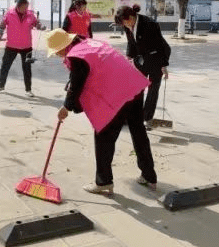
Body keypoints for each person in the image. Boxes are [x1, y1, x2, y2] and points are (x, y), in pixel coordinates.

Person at [47, 29, 157, 194]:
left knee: (103, 136)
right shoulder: (88, 44)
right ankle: (149, 176)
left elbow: (78, 83)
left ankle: (104, 181)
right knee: (138, 132)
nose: (57, 55)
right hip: (133, 84)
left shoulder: (76, 55)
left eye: (57, 52)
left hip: (119, 92)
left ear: (63, 46)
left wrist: (66, 107)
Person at [115, 5, 171, 129]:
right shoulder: (127, 25)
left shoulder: (150, 24)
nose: (125, 26)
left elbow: (161, 46)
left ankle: (147, 118)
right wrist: (129, 58)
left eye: (125, 22)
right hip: (141, 60)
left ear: (130, 17)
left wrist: (164, 65)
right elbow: (131, 43)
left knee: (152, 90)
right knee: (136, 88)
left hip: (157, 59)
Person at [0, 0, 45, 97]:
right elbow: (1, 26)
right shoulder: (9, 14)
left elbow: (36, 23)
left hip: (26, 46)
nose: (26, 9)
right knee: (5, 66)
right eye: (24, 7)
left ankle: (28, 90)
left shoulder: (30, 14)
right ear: (18, 6)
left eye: (27, 7)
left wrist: (41, 27)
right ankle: (1, 86)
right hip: (11, 46)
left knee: (27, 69)